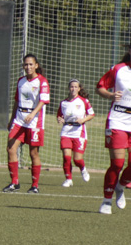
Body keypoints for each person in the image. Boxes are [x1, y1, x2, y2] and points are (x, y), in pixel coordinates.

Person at [3, 54, 49, 194]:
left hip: (34, 121)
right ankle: (14, 183)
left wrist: (33, 113)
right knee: (11, 148)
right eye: (25, 64)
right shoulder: (21, 81)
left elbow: (43, 101)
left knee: (33, 153)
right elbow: (17, 101)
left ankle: (35, 185)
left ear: (36, 65)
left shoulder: (42, 81)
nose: (28, 67)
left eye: (30, 64)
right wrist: (12, 119)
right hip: (19, 119)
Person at [96, 44, 131, 214]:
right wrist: (110, 95)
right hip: (118, 120)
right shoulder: (118, 69)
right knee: (117, 163)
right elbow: (100, 87)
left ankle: (120, 186)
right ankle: (106, 200)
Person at [56, 78, 94, 188]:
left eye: (75, 87)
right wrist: (60, 119)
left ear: (79, 88)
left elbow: (91, 114)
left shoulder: (84, 101)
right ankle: (68, 179)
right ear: (68, 88)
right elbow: (59, 115)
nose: (73, 89)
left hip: (79, 132)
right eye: (71, 86)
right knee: (66, 157)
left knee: (77, 159)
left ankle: (83, 169)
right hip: (66, 131)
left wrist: (83, 120)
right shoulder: (63, 103)